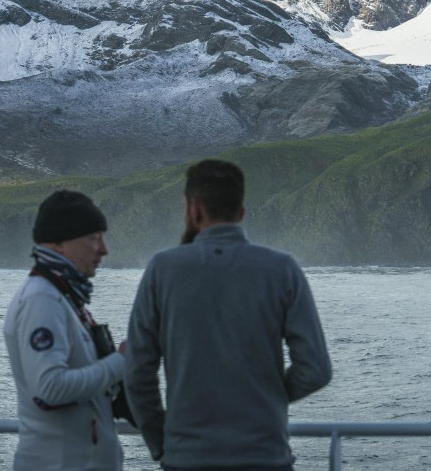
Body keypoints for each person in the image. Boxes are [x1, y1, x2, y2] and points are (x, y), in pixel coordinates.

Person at [124, 159, 332, 470]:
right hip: (264, 456)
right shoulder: (281, 269)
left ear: (194, 209)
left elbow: (137, 373)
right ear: (241, 212)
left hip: (187, 457)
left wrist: (161, 444)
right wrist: (265, 400)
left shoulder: (162, 270)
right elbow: (316, 370)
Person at [4, 190, 126, 471]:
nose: (104, 249)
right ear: (59, 243)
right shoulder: (42, 299)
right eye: (94, 238)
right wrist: (119, 363)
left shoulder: (62, 298)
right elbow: (50, 388)